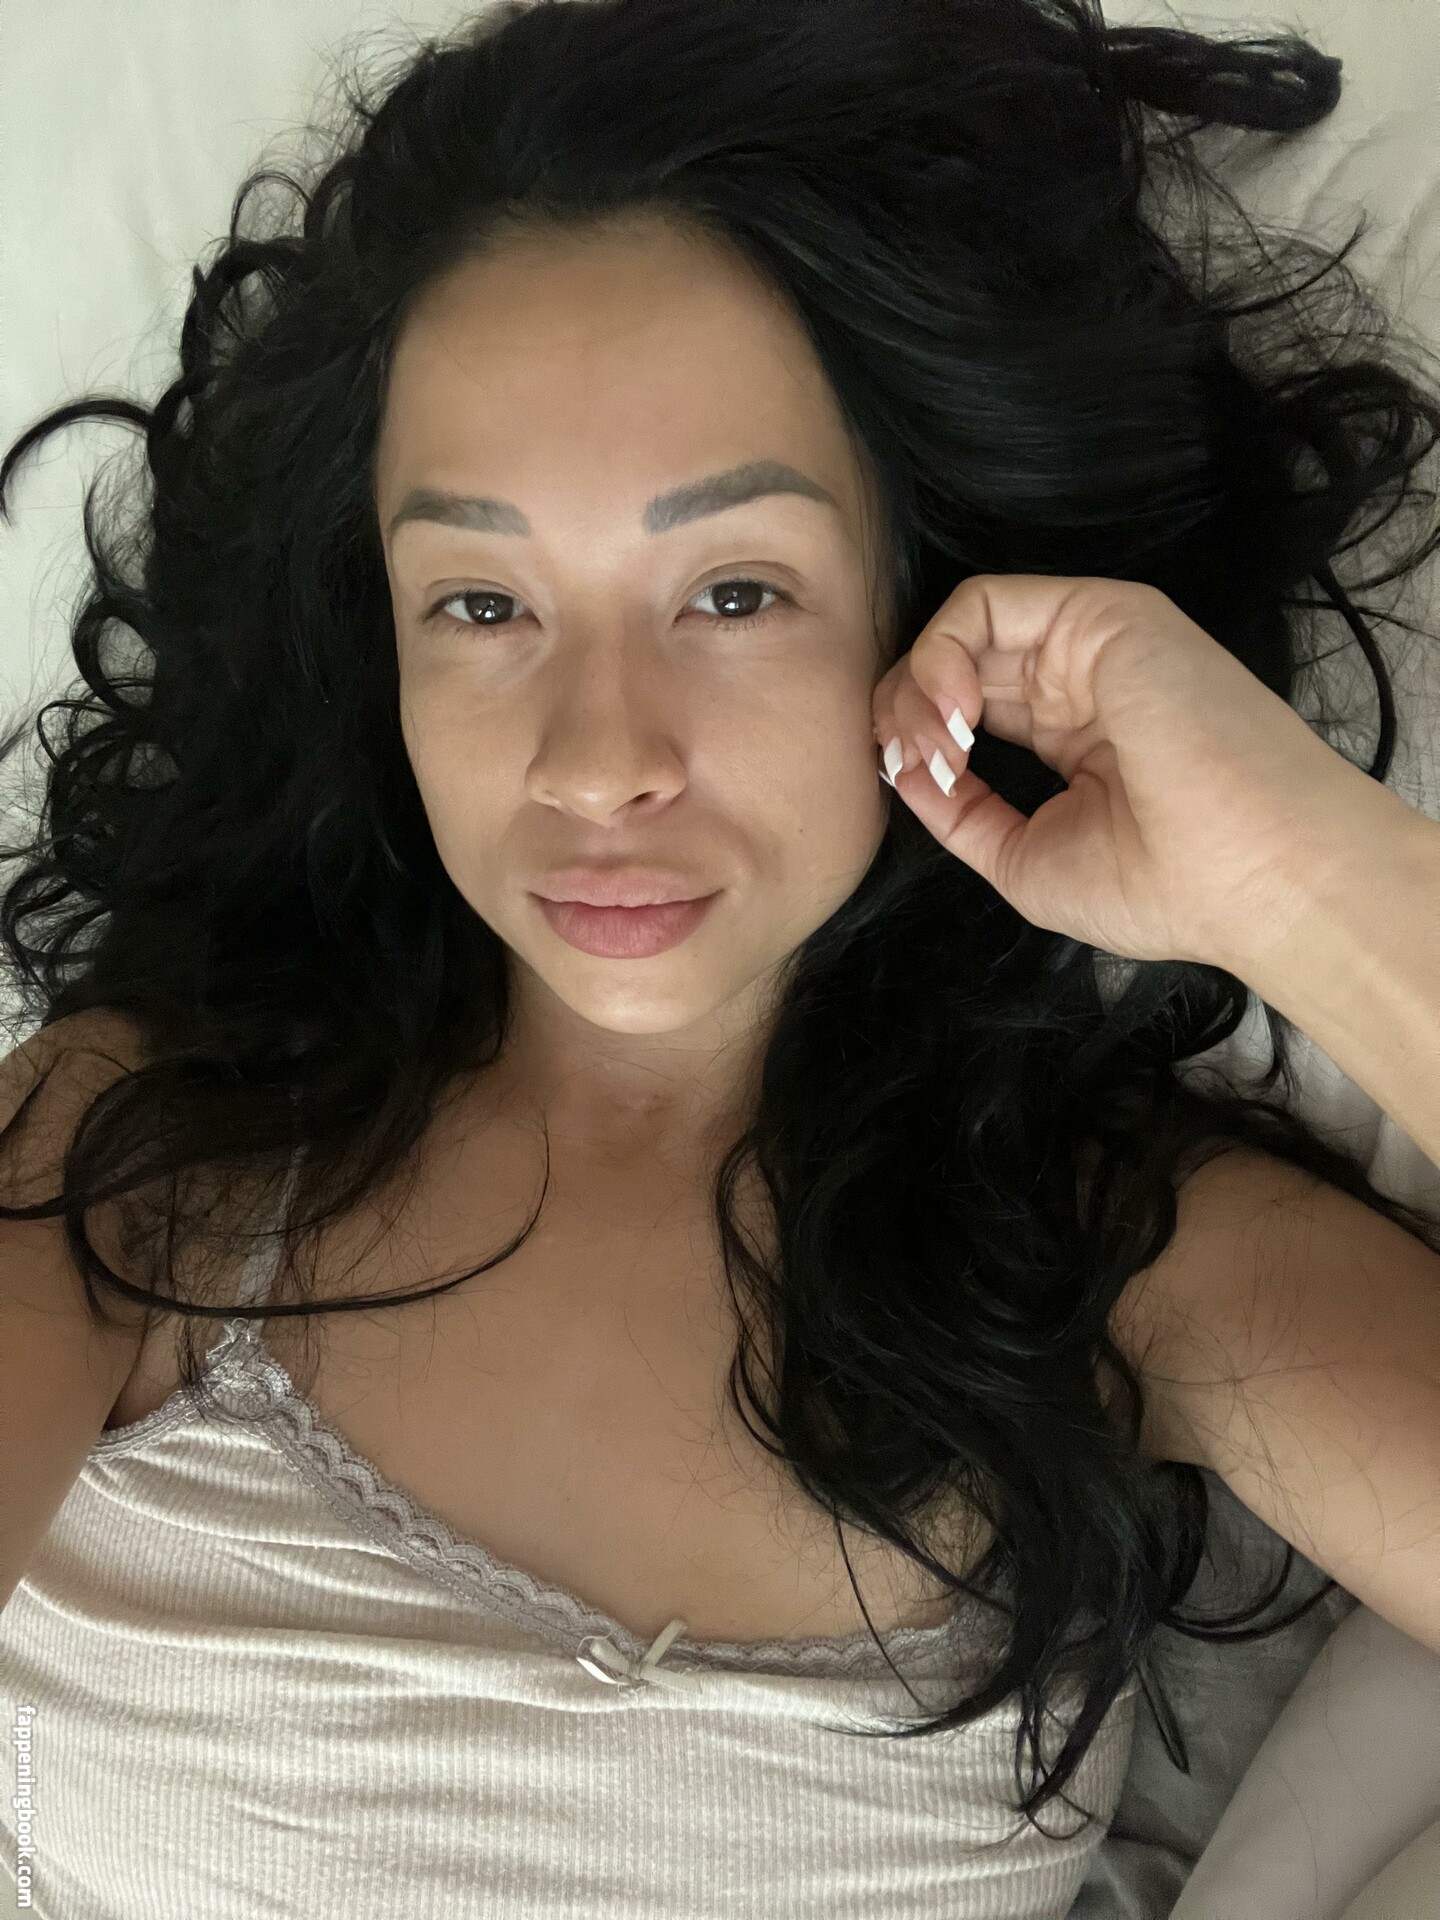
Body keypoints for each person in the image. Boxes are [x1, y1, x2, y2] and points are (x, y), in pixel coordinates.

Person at [0, 2, 1436, 1915]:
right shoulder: (136, 1163)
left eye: (735, 592)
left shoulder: (1120, 1261)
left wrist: (1303, 878)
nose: (599, 760)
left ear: (928, 598)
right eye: (482, 602)